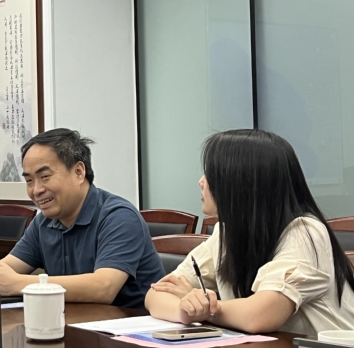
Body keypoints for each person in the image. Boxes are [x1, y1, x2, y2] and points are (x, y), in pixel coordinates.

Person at [145, 129, 354, 335]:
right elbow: (156, 295)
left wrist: (206, 308)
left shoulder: (305, 232)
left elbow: (260, 316)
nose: (201, 181)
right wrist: (185, 310)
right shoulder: (226, 233)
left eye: (212, 174)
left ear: (241, 182)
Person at [0, 128, 164, 307]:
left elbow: (104, 287)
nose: (36, 190)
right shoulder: (43, 222)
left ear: (79, 172)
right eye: (29, 180)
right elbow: (8, 268)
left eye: (45, 177)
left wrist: (18, 283)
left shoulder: (118, 216)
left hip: (127, 328)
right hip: (71, 323)